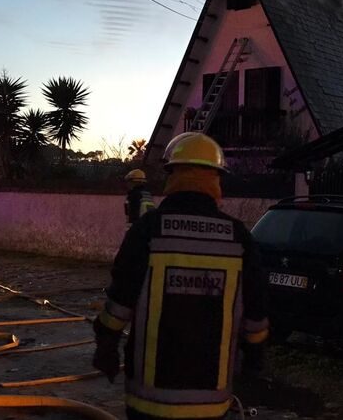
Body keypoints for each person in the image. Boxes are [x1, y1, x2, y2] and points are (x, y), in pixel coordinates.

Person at [93, 133, 269, 420]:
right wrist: (254, 361)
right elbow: (257, 316)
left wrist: (107, 345)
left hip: (149, 403)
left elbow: (119, 303)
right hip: (211, 403)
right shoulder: (239, 237)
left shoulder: (147, 231)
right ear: (216, 179)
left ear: (173, 176)